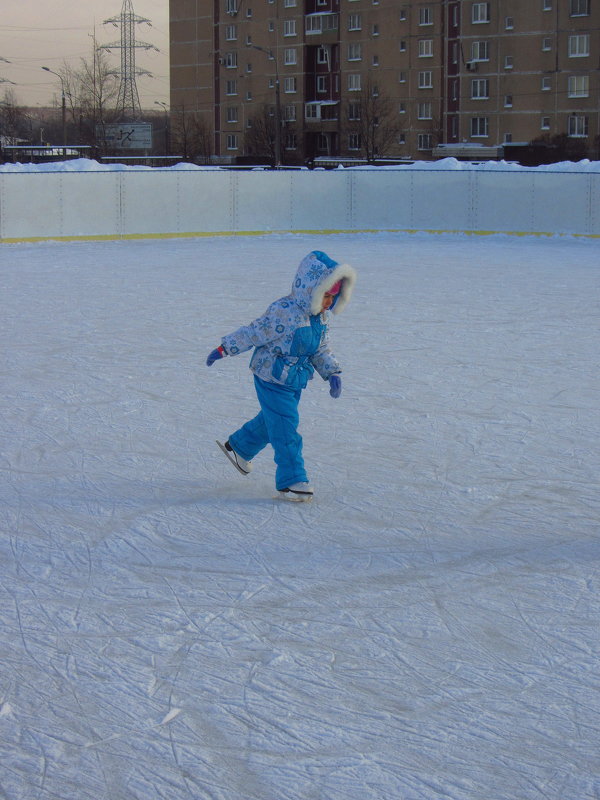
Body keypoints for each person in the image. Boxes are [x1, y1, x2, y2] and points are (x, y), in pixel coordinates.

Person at [206, 250, 357, 501]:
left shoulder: (320, 316)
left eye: (334, 297)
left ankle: (239, 447)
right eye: (326, 295)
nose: (329, 302)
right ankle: (292, 478)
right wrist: (225, 348)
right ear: (310, 288)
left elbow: (320, 348)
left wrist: (332, 372)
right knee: (286, 428)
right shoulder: (284, 311)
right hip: (271, 375)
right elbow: (254, 332)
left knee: (273, 420)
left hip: (294, 379)